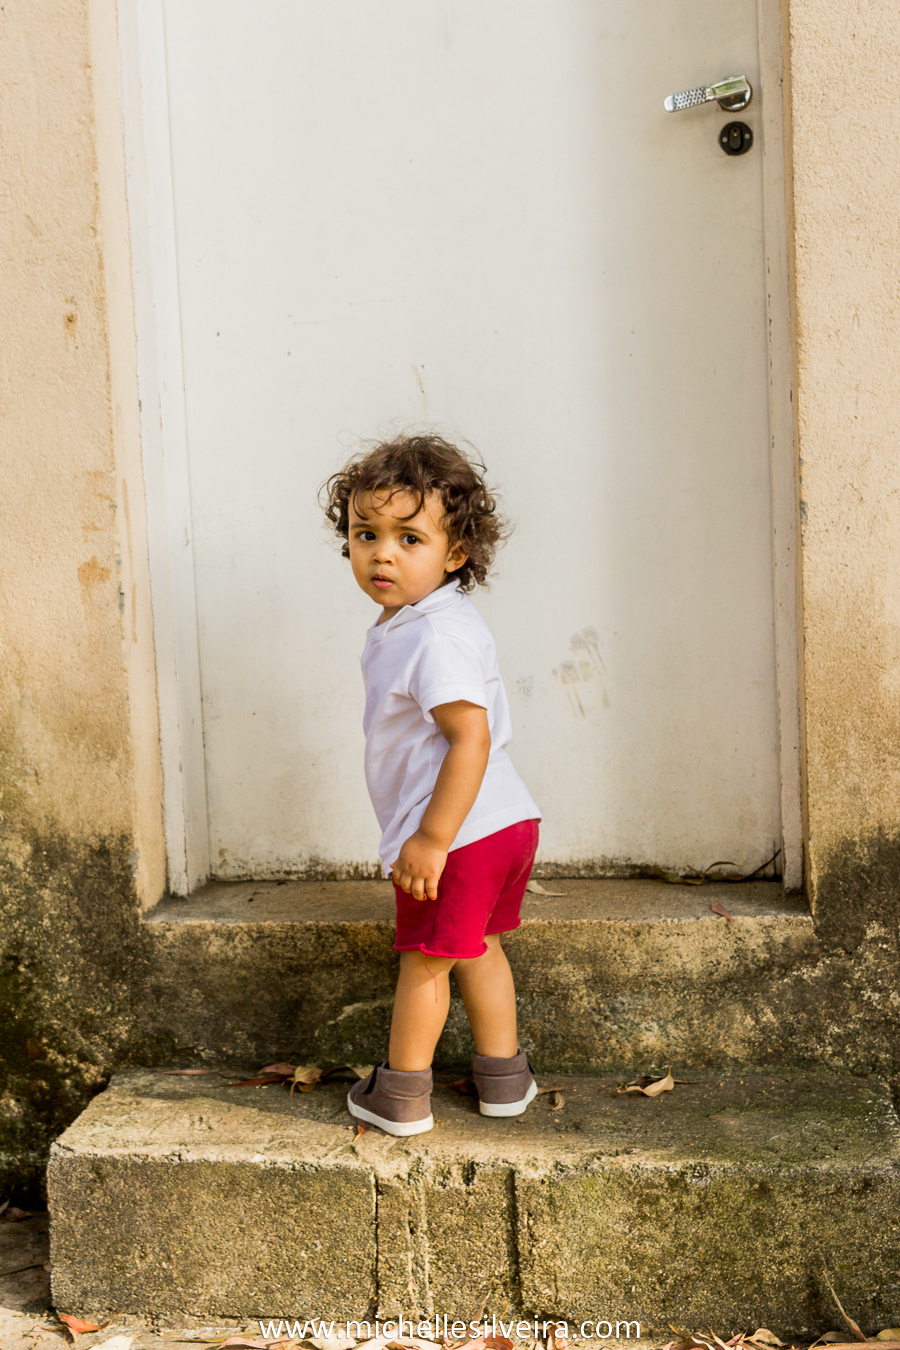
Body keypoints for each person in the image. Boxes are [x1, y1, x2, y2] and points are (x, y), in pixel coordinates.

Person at [322, 433, 541, 1136]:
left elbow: (468, 736)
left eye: (409, 538)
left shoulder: (431, 636)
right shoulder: (420, 622)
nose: (381, 552)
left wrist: (430, 838)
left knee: (425, 963)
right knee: (478, 948)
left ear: (456, 554)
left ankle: (401, 1096)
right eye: (366, 532)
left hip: (461, 832)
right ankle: (504, 1077)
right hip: (505, 822)